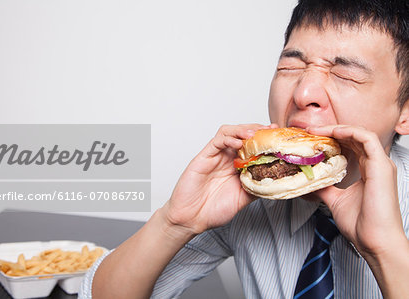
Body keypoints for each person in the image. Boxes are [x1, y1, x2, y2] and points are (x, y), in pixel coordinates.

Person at [80, 0, 409, 298]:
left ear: (405, 112)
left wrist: (385, 252)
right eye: (290, 67)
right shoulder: (245, 195)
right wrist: (174, 224)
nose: (303, 92)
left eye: (345, 74)